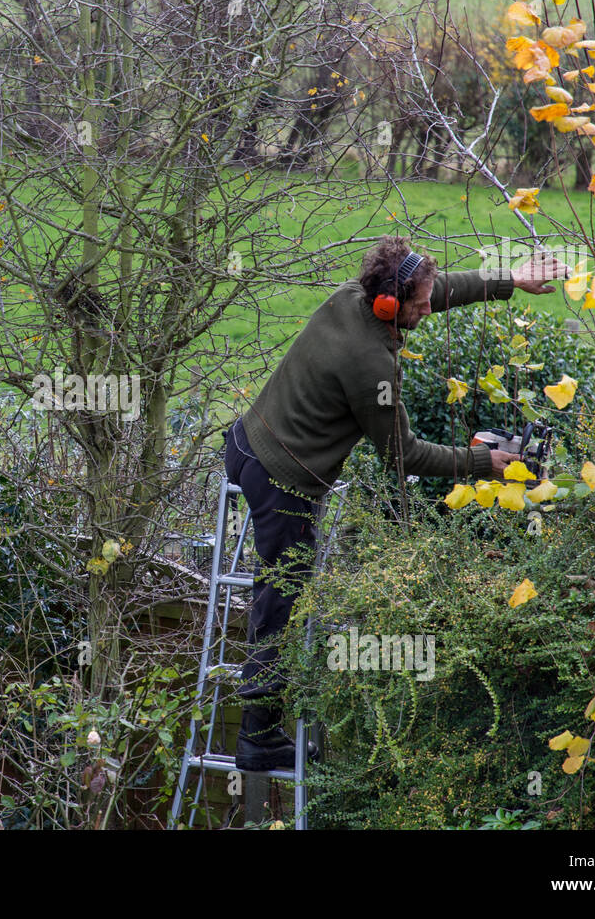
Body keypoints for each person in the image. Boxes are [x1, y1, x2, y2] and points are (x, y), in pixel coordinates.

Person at [225, 235, 568, 771]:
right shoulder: (370, 365)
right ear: (390, 303)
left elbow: (440, 288)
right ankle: (258, 740)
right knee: (280, 606)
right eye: (420, 304)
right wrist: (485, 464)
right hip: (281, 481)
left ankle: (261, 727)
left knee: (281, 596)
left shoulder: (350, 298)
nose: (430, 309)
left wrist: (510, 279)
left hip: (245, 441)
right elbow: (401, 455)